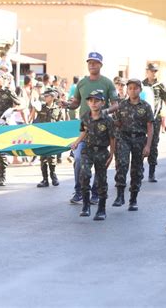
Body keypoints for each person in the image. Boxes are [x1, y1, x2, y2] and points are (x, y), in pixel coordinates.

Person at [62, 52, 118, 204]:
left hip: (101, 131)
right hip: (84, 128)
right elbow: (76, 103)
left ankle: (95, 192)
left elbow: (115, 104)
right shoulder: (81, 83)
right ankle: (79, 191)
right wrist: (67, 105)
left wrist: (104, 111)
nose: (92, 65)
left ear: (100, 65)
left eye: (95, 62)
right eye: (90, 62)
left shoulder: (107, 83)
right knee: (79, 159)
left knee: (100, 162)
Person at [71, 90, 115, 220]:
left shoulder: (108, 120)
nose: (93, 103)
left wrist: (112, 154)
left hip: (102, 152)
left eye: (96, 101)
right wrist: (76, 142)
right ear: (87, 103)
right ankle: (85, 206)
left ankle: (101, 209)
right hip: (88, 150)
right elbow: (84, 131)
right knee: (84, 175)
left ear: (102, 103)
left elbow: (112, 138)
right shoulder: (85, 117)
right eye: (91, 101)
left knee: (101, 181)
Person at [112, 79, 154, 211]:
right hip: (123, 138)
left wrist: (148, 145)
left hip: (139, 140)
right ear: (127, 90)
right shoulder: (121, 105)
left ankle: (133, 199)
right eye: (130, 88)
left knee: (136, 169)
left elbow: (150, 127)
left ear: (140, 90)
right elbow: (116, 123)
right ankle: (120, 196)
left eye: (135, 88)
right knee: (122, 165)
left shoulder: (146, 106)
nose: (132, 90)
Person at [142, 63, 166, 182]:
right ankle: (139, 169)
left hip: (155, 118)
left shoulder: (160, 85)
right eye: (151, 71)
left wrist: (165, 109)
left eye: (155, 71)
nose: (153, 73)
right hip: (141, 118)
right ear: (147, 71)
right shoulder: (141, 85)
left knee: (153, 145)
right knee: (140, 143)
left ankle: (151, 173)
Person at [29, 88, 62, 187]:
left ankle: (53, 176)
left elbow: (61, 122)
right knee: (43, 158)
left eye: (47, 96)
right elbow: (34, 118)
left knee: (52, 157)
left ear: (52, 97)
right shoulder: (41, 107)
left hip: (52, 136)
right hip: (42, 136)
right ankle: (45, 179)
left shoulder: (57, 109)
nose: (45, 97)